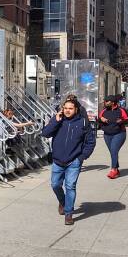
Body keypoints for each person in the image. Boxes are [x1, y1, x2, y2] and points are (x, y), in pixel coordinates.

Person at [41, 97, 96, 226]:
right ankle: (63, 201)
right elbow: (45, 133)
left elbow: (90, 142)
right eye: (65, 108)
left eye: (70, 108)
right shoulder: (58, 121)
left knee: (70, 186)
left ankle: (68, 213)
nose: (67, 111)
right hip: (57, 160)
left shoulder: (83, 123)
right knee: (55, 185)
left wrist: (82, 157)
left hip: (74, 161)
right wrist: (55, 120)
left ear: (76, 109)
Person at [99, 95, 128, 178]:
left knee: (114, 150)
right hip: (107, 135)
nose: (105, 103)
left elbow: (127, 119)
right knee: (113, 152)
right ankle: (116, 169)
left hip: (119, 134)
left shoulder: (121, 110)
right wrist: (101, 119)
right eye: (105, 101)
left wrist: (121, 121)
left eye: (107, 101)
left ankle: (113, 170)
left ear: (113, 102)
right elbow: (99, 119)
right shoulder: (104, 111)